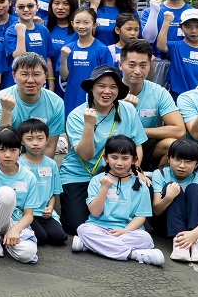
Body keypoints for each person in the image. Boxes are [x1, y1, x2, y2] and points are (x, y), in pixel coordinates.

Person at [58, 65, 147, 235]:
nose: (107, 91)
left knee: (140, 187)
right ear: (91, 88)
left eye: (113, 87)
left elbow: (137, 145)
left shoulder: (127, 109)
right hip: (79, 174)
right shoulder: (77, 115)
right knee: (75, 225)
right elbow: (85, 155)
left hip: (116, 172)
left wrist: (135, 168)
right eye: (101, 86)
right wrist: (89, 125)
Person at [73, 134, 165, 266]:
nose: (119, 163)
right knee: (83, 229)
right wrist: (104, 188)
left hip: (127, 230)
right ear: (106, 158)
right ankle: (133, 254)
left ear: (134, 160)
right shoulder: (97, 180)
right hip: (98, 227)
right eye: (114, 157)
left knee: (145, 238)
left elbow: (140, 217)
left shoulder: (141, 186)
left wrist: (124, 231)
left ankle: (92, 245)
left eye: (125, 158)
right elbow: (95, 213)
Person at [116, 40, 185, 168]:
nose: (137, 71)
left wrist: (139, 132)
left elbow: (179, 130)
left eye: (143, 65)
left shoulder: (158, 92)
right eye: (131, 65)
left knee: (173, 145)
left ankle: (159, 180)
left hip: (146, 144)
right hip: (114, 145)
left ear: (150, 65)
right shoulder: (108, 91)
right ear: (120, 65)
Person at [0, 126, 41, 263]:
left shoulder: (29, 177)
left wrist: (15, 230)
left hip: (14, 221)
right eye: (2, 150)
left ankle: (1, 237)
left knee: (28, 254)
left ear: (20, 150)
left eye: (13, 150)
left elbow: (28, 215)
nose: (7, 155)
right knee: (7, 193)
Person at [148, 137, 198, 263]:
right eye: (177, 159)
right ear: (168, 158)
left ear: (196, 164)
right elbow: (156, 210)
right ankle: (179, 243)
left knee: (195, 189)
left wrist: (194, 234)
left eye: (188, 161)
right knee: (172, 186)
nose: (182, 165)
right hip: (164, 223)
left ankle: (197, 243)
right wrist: (169, 196)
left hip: (194, 229)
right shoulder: (160, 173)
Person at [0, 53, 66, 157]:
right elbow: (3, 144)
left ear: (45, 75)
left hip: (37, 154)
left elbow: (50, 146)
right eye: (24, 74)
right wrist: (6, 111)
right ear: (14, 76)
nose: (30, 80)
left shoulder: (56, 103)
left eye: (36, 74)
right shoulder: (0, 99)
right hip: (4, 152)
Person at [17, 119, 68, 247]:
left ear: (47, 140)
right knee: (41, 238)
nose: (35, 143)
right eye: (29, 139)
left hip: (44, 213)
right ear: (22, 141)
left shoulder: (51, 164)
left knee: (59, 238)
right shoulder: (18, 163)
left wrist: (50, 208)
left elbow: (54, 192)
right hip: (26, 213)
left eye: (40, 138)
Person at [58, 7, 113, 115]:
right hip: (72, 97)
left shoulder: (102, 49)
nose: (81, 26)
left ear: (94, 25)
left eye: (86, 22)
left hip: (95, 98)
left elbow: (108, 76)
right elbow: (64, 76)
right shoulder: (68, 49)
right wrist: (64, 58)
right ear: (72, 24)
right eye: (78, 22)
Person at [1, 0, 56, 91]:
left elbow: (47, 59)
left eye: (30, 6)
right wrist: (21, 33)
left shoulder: (43, 30)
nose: (26, 10)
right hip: (19, 83)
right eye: (21, 7)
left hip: (39, 82)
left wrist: (51, 84)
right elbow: (19, 57)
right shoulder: (11, 31)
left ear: (37, 7)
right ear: (15, 10)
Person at [159, 8, 198, 96]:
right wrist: (166, 22)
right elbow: (161, 46)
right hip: (175, 96)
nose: (193, 31)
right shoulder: (174, 47)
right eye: (188, 26)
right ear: (181, 27)